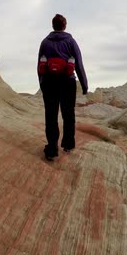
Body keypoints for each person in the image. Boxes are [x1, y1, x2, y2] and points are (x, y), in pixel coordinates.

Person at [37, 14, 88, 161]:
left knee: (51, 116)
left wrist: (41, 83)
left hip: (49, 83)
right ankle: (68, 144)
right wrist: (84, 85)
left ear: (53, 25)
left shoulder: (45, 42)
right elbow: (78, 63)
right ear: (64, 25)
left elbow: (39, 64)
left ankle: (52, 149)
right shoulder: (71, 41)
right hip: (67, 82)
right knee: (68, 115)